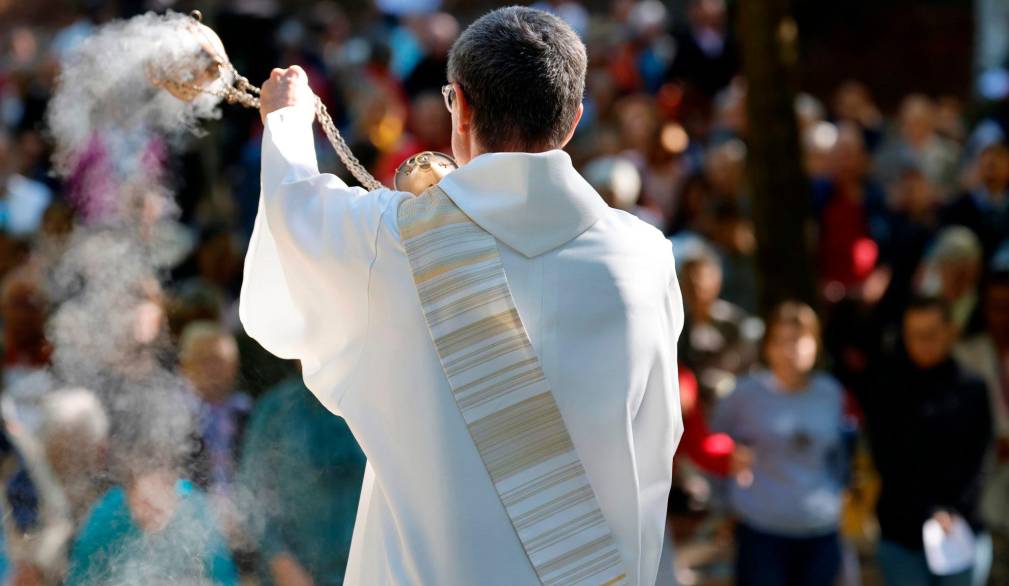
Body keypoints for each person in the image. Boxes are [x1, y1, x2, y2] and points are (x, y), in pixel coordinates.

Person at [241, 6, 683, 585]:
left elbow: (293, 221)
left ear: (460, 105)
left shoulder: (392, 239)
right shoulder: (646, 259)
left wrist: (287, 125)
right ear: (573, 121)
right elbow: (657, 442)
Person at [855, 296, 992, 586]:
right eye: (913, 335)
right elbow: (887, 459)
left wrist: (951, 511)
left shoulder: (972, 389)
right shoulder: (887, 387)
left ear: (950, 331)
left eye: (930, 334)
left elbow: (979, 460)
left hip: (960, 531)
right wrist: (929, 511)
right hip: (902, 535)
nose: (922, 343)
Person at [711, 301, 846, 586]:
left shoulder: (831, 393)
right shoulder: (743, 395)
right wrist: (723, 503)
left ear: (815, 344)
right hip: (761, 531)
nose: (789, 351)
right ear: (767, 347)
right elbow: (712, 449)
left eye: (798, 340)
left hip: (820, 530)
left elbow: (842, 454)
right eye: (780, 341)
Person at [237, 372, 366, 586]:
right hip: (294, 574)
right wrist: (281, 561)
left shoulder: (369, 402)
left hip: (366, 568)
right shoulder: (275, 410)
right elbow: (253, 492)